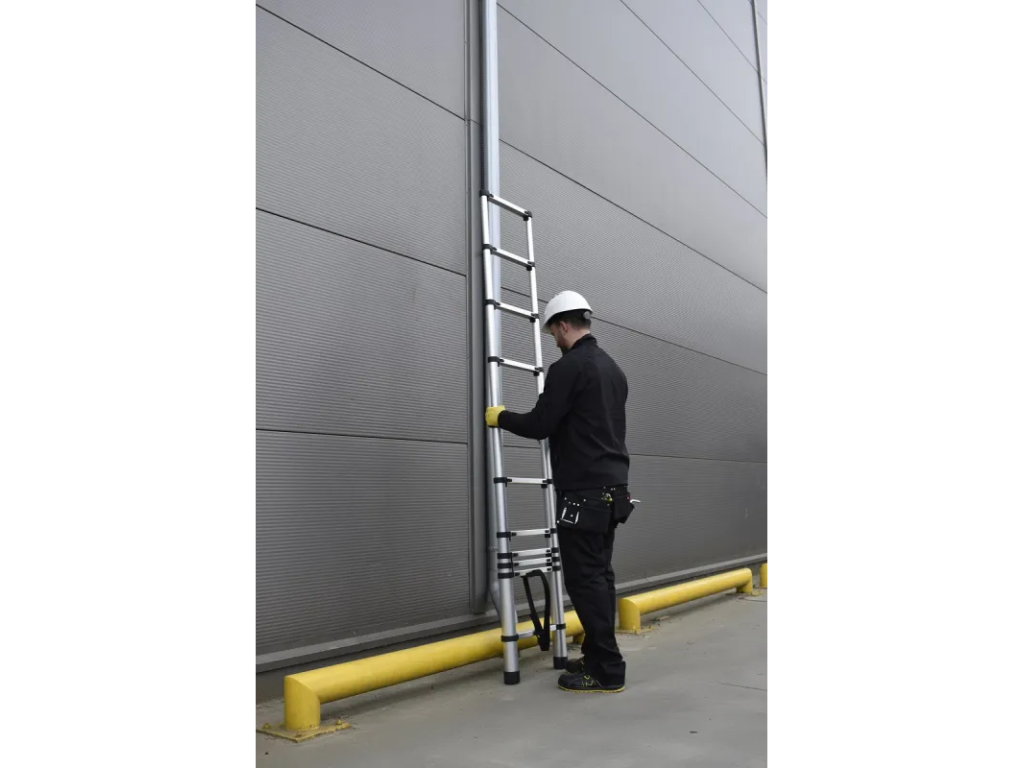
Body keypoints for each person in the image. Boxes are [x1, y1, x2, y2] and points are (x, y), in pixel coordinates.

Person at [486, 291, 633, 694]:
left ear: (563, 326)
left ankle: (607, 669)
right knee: (600, 578)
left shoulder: (569, 367)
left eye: (553, 332)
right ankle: (599, 657)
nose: (554, 339)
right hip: (612, 491)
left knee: (585, 582)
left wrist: (501, 417)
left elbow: (541, 424)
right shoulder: (613, 369)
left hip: (584, 493)